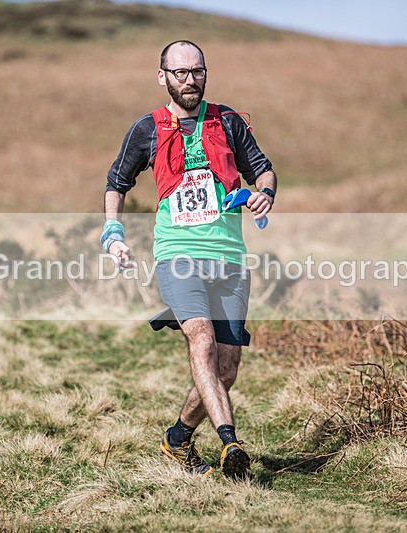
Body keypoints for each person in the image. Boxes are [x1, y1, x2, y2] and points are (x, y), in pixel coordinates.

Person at [102, 40, 277, 479]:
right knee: (201, 340)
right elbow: (117, 182)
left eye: (197, 71)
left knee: (227, 366)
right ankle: (229, 442)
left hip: (230, 259)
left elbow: (264, 168)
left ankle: (177, 439)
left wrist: (265, 195)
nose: (190, 80)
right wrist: (114, 233)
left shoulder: (228, 121)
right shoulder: (147, 128)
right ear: (162, 76)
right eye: (180, 72)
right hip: (177, 255)